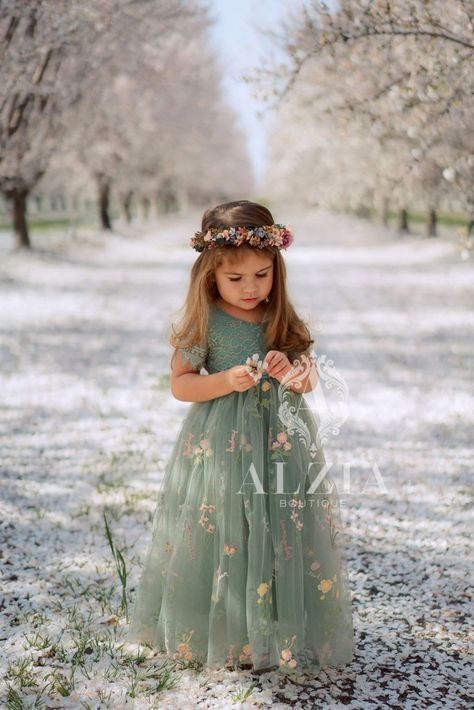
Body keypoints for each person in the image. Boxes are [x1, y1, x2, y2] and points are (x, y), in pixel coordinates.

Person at [125, 199, 355, 675]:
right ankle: (229, 627)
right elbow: (180, 383)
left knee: (279, 529)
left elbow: (310, 379)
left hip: (280, 443)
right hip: (221, 441)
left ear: (277, 269)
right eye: (236, 279)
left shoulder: (282, 319)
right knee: (229, 529)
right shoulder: (204, 320)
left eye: (262, 275)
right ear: (210, 274)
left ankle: (276, 626)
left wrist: (291, 372)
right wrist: (224, 381)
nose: (251, 288)